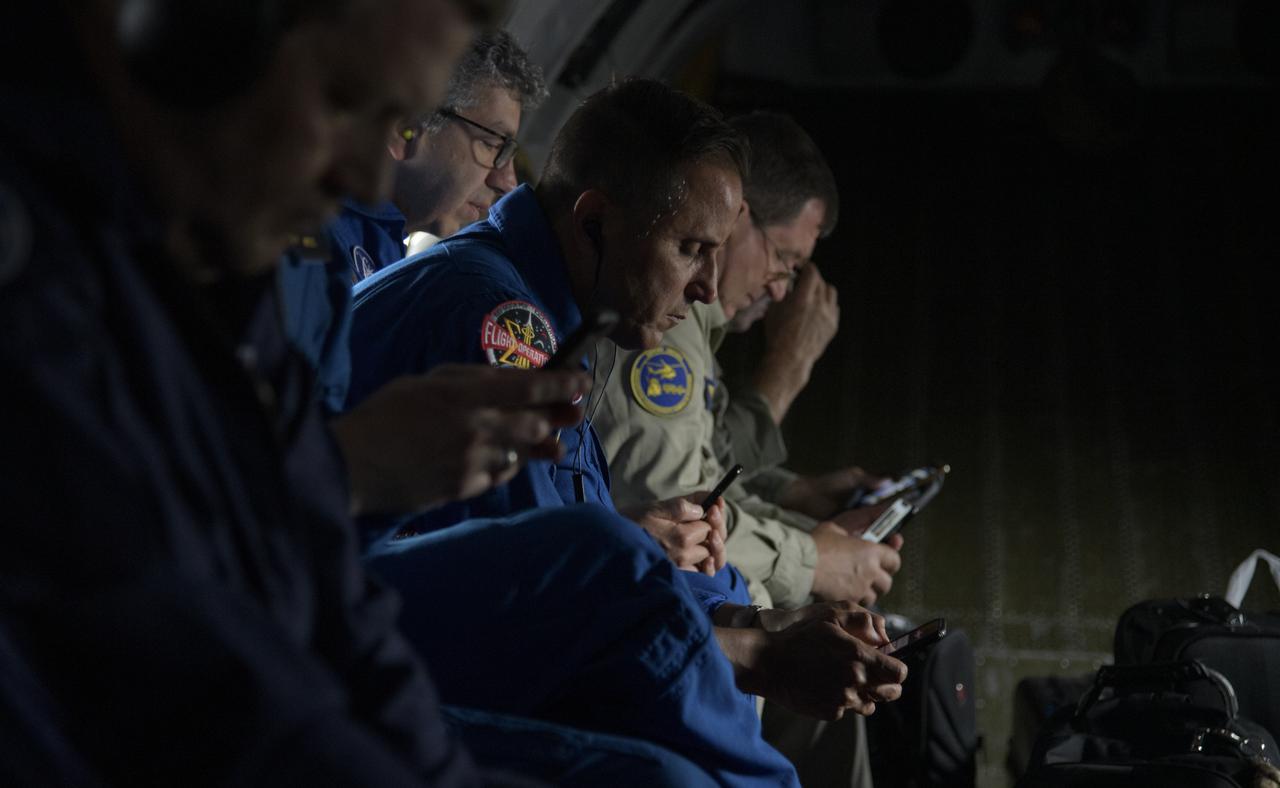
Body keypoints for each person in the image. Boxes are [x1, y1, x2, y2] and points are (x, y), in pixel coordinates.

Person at [2, 2, 898, 785]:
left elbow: (318, 593)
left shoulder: (279, 269)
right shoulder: (487, 312)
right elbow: (202, 654)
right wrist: (348, 475)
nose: (365, 181)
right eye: (350, 106)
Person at [345, 80, 908, 726]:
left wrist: (749, 618)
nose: (706, 289)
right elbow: (546, 608)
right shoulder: (504, 326)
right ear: (592, 225)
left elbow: (561, 554)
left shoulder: (552, 316)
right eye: (691, 250)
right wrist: (758, 648)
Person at [594, 111, 902, 613]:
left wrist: (794, 498)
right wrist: (815, 561)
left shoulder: (693, 323)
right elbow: (679, 511)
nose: (780, 289)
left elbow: (703, 463)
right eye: (784, 261)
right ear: (737, 213)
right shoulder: (664, 325)